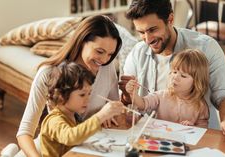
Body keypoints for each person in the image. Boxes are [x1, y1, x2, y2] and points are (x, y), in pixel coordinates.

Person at [119, 0, 225, 142]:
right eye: (141, 32)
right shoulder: (137, 53)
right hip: (152, 137)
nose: (147, 40)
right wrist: (126, 94)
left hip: (198, 137)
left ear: (170, 20)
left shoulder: (206, 47)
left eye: (153, 30)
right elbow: (127, 102)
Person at [17, 15, 122, 157]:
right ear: (82, 42)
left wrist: (120, 103)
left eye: (110, 54)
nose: (104, 60)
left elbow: (114, 107)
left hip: (88, 147)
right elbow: (24, 132)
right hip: (52, 149)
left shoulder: (106, 67)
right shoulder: (48, 73)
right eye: (99, 51)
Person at [40, 61, 124, 157]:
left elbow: (81, 134)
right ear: (62, 96)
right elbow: (71, 137)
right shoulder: (53, 120)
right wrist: (102, 115)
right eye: (82, 94)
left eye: (89, 93)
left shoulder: (74, 115)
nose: (88, 99)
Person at [126, 49, 209, 127]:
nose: (175, 77)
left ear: (196, 82)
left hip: (185, 141)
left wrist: (193, 128)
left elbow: (204, 132)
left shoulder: (201, 106)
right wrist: (133, 93)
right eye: (174, 72)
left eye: (183, 76)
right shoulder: (161, 96)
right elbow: (142, 104)